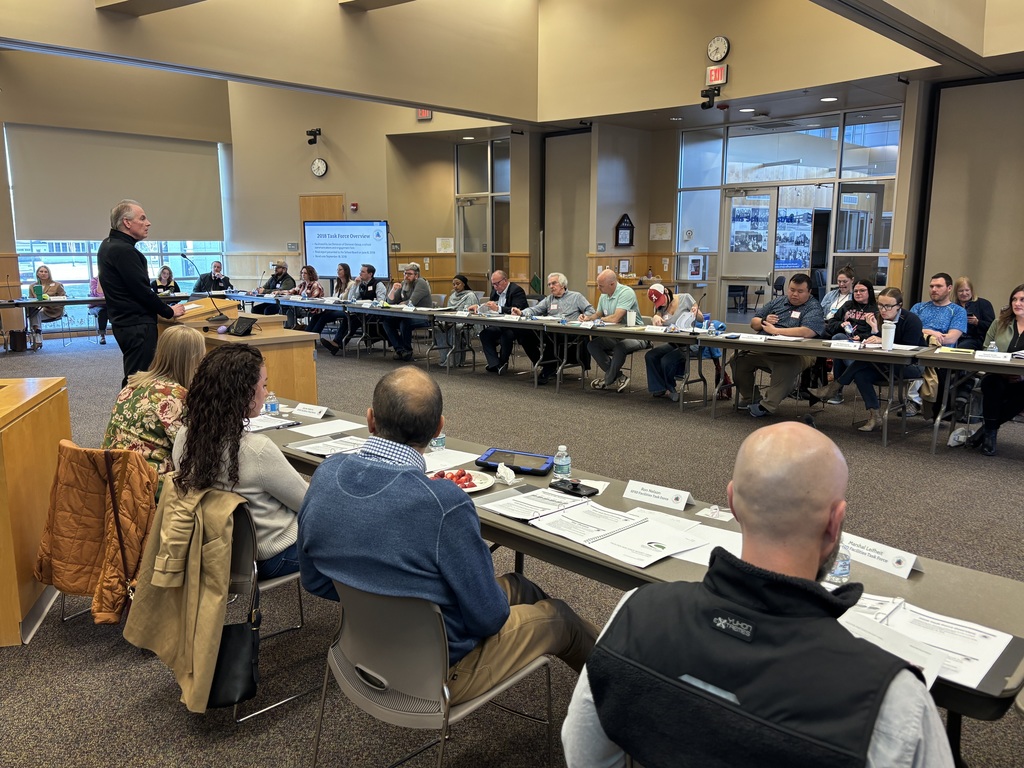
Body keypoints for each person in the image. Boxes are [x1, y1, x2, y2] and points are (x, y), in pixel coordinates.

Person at [562, 422, 953, 768]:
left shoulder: (635, 612)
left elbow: (584, 750)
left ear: (732, 502)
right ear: (835, 522)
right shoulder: (892, 700)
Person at [297, 367, 597, 704]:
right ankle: (631, 692)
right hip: (437, 671)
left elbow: (314, 580)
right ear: (439, 428)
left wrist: (376, 601)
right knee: (561, 619)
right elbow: (489, 618)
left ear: (370, 420)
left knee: (522, 586)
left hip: (360, 650)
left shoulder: (326, 475)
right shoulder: (443, 504)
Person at [172, 345, 309, 579]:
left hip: (214, 551)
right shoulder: (257, 450)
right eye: (263, 385)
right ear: (243, 393)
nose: (266, 393)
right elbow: (308, 503)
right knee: (343, 528)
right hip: (268, 557)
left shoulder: (184, 436)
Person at [102, 325, 206, 496]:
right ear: (193, 360)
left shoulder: (133, 384)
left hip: (113, 475)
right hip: (149, 486)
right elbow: (190, 451)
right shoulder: (176, 396)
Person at [97, 199, 186, 387]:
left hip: (124, 322)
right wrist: (169, 311)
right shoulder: (123, 250)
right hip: (137, 324)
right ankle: (129, 415)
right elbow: (142, 291)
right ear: (127, 223)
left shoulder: (108, 244)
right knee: (139, 378)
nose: (148, 223)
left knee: (136, 374)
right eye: (142, 218)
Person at [810, 287, 925, 432]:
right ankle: (875, 416)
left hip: (911, 365)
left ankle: (834, 387)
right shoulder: (879, 317)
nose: (883, 310)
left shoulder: (911, 320)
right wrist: (874, 331)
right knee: (860, 374)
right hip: (885, 363)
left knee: (863, 363)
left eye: (888, 306)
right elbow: (871, 339)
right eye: (881, 305)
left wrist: (881, 340)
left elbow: (910, 349)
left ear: (899, 306)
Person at [732, 273, 825, 418]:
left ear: (809, 292)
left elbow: (808, 331)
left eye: (800, 291)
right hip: (766, 348)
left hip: (799, 352)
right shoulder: (778, 302)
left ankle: (767, 406)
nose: (794, 294)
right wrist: (763, 320)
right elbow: (754, 323)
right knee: (738, 358)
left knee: (787, 365)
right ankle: (751, 398)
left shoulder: (813, 307)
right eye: (792, 290)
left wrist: (776, 331)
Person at [967, 283, 1024, 456]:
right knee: (992, 385)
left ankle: (987, 430)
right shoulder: (999, 323)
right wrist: (1002, 371)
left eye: (1022, 300)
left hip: (1022, 380)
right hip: (997, 375)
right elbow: (986, 350)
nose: (1017, 303)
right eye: (1014, 299)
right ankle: (990, 434)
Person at [511, 272, 594, 385]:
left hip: (570, 332)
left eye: (553, 283)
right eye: (549, 284)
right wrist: (521, 312)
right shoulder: (549, 299)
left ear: (563, 284)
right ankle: (544, 363)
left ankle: (547, 370)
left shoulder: (576, 297)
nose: (551, 286)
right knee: (523, 333)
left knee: (553, 335)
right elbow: (535, 309)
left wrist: (584, 316)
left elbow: (590, 310)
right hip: (551, 329)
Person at [910, 273, 968, 420]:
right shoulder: (919, 307)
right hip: (916, 350)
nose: (934, 289)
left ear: (949, 288)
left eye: (938, 286)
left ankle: (919, 402)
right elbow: (909, 330)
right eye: (931, 286)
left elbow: (951, 338)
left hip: (942, 354)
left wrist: (923, 331)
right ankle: (915, 401)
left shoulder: (958, 311)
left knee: (929, 368)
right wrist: (931, 332)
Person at [583, 269, 647, 392]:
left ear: (612, 284)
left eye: (601, 286)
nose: (598, 288)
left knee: (621, 347)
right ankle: (617, 376)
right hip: (615, 335)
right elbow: (598, 314)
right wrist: (587, 318)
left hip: (636, 335)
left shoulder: (626, 293)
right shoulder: (604, 295)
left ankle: (607, 380)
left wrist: (600, 319)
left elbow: (616, 318)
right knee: (592, 345)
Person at [823, 279, 879, 403]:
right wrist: (841, 324)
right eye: (856, 291)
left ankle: (836, 390)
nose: (858, 293)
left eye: (862, 290)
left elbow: (877, 332)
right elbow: (832, 322)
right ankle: (850, 374)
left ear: (869, 292)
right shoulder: (848, 306)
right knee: (839, 339)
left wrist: (861, 337)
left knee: (839, 347)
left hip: (864, 346)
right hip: (845, 341)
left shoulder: (875, 309)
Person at [644, 283, 702, 401]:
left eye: (662, 300)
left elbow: (701, 318)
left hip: (691, 343)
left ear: (666, 291)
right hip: (674, 342)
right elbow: (657, 316)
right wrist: (655, 317)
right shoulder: (660, 307)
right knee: (650, 355)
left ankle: (670, 388)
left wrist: (696, 313)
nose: (662, 304)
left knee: (667, 360)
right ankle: (658, 388)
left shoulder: (685, 298)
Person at [318, 263, 387, 356]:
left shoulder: (378, 284)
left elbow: (380, 301)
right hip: (362, 312)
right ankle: (337, 343)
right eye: (360, 271)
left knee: (354, 321)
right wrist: (355, 285)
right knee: (348, 318)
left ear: (370, 274)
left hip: (374, 314)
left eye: (363, 272)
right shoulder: (361, 284)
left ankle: (338, 344)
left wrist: (369, 304)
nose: (360, 273)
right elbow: (351, 299)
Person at [470, 269, 528, 374]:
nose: (496, 287)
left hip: (515, 326)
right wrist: (478, 308)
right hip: (499, 324)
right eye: (493, 284)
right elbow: (491, 307)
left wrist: (499, 309)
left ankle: (503, 362)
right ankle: (495, 364)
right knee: (485, 334)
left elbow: (517, 309)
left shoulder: (516, 290)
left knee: (507, 335)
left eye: (497, 283)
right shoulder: (495, 292)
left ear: (505, 280)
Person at [381, 262, 433, 361]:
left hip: (423, 316)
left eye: (409, 274)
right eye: (405, 273)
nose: (406, 276)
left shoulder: (421, 282)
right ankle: (400, 350)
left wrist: (402, 303)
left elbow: (412, 302)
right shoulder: (404, 283)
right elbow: (390, 301)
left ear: (416, 275)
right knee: (387, 321)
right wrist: (392, 290)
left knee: (405, 323)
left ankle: (407, 350)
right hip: (407, 315)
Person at [433, 274, 477, 367]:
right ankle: (445, 358)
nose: (455, 286)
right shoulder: (452, 296)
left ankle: (454, 360)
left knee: (454, 328)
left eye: (458, 284)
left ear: (464, 284)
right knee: (438, 328)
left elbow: (470, 314)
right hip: (451, 321)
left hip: (465, 324)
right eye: (453, 284)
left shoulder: (470, 295)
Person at [306, 262, 355, 338]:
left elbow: (349, 299)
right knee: (316, 316)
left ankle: (313, 338)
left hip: (345, 310)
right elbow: (334, 297)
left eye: (340, 270)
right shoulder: (337, 284)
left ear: (346, 271)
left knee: (324, 317)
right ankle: (306, 337)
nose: (338, 272)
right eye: (337, 270)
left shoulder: (351, 284)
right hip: (334, 308)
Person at [24, 265, 66, 350]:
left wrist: (51, 301)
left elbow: (64, 299)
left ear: (49, 273)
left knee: (34, 314)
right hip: (38, 310)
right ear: (37, 274)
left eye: (45, 272)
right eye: (41, 271)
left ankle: (37, 340)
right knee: (34, 313)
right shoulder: (32, 286)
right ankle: (38, 339)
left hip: (53, 310)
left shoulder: (57, 285)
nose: (43, 273)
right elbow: (31, 300)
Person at [953, 275, 995, 351]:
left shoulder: (983, 304)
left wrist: (977, 322)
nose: (964, 293)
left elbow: (992, 327)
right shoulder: (953, 306)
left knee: (961, 347)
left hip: (975, 339)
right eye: (960, 291)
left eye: (967, 290)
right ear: (956, 292)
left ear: (971, 291)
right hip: (954, 337)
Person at [88, 275, 108, 345]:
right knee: (102, 312)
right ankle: (102, 336)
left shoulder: (112, 278)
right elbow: (99, 295)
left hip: (109, 305)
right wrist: (100, 279)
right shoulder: (94, 280)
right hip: (96, 306)